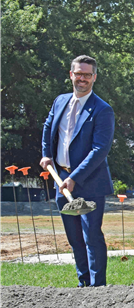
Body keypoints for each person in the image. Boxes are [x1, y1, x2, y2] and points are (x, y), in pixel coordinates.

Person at [40, 55, 115, 287]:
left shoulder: (102, 110)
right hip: (60, 179)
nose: (82, 78)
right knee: (74, 238)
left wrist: (74, 178)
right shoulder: (60, 101)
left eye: (87, 74)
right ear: (71, 74)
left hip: (89, 182)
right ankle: (83, 284)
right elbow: (47, 126)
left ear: (94, 77)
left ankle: (97, 286)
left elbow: (99, 150)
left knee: (91, 235)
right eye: (78, 73)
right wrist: (46, 154)